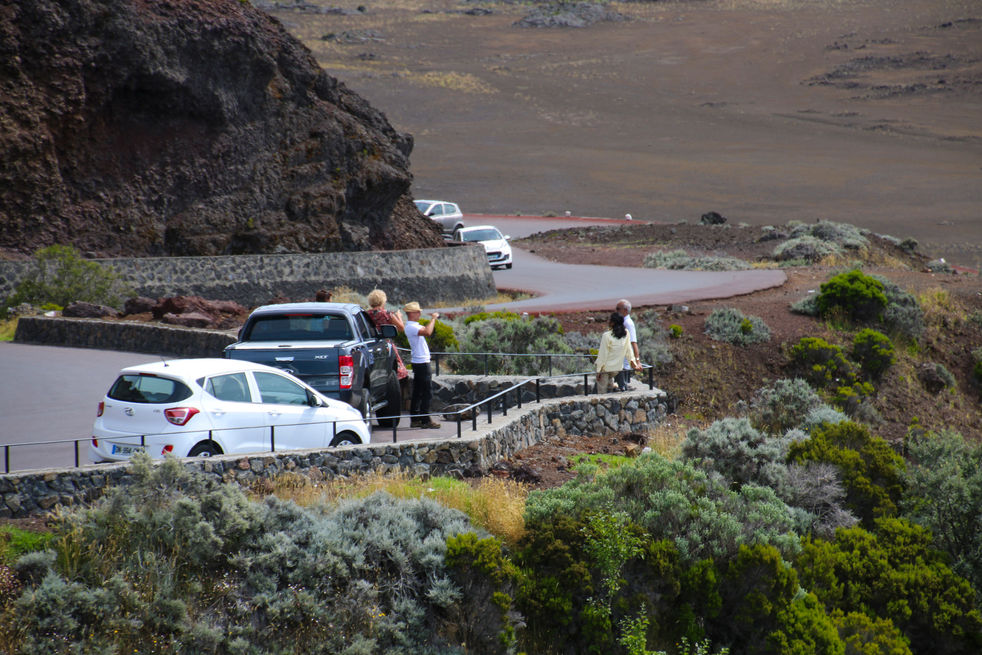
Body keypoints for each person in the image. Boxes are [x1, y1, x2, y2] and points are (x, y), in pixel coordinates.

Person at [403, 301, 441, 428]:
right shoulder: (412, 327)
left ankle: (415, 419)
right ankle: (425, 420)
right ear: (412, 313)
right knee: (427, 392)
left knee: (418, 391)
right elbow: (428, 332)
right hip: (422, 362)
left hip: (418, 362)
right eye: (418, 311)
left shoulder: (412, 326)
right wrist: (433, 319)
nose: (420, 313)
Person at [365, 289, 408, 381]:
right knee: (396, 369)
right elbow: (401, 328)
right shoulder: (386, 314)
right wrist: (399, 316)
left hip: (370, 344)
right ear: (382, 300)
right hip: (385, 344)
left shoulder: (366, 314)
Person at [595, 313, 641, 394]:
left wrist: (598, 371)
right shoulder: (626, 333)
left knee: (602, 393)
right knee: (610, 391)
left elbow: (602, 355)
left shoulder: (607, 336)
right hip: (617, 368)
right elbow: (629, 351)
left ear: (612, 323)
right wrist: (634, 363)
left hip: (606, 369)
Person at [615, 298, 639, 391]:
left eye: (618, 309)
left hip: (623, 364)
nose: (616, 311)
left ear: (625, 310)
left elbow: (634, 342)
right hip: (619, 363)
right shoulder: (622, 322)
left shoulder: (628, 323)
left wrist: (637, 361)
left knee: (622, 389)